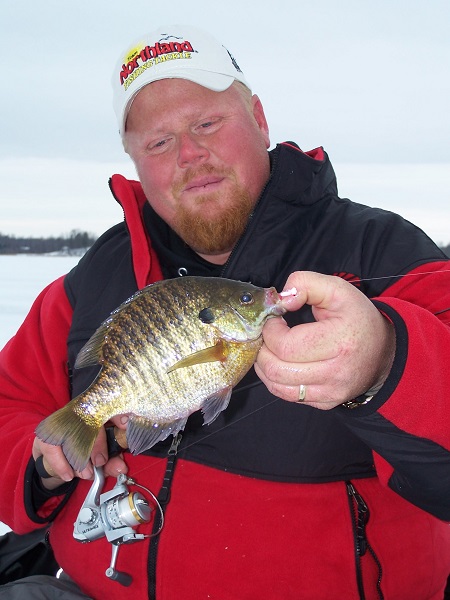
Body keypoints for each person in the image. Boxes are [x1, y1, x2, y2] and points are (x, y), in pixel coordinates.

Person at [0, 24, 449, 600]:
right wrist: (42, 466)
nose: (190, 154)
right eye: (158, 143)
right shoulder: (95, 276)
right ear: (135, 162)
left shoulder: (384, 250)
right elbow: (11, 405)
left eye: (207, 123)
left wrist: (387, 365)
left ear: (259, 118)